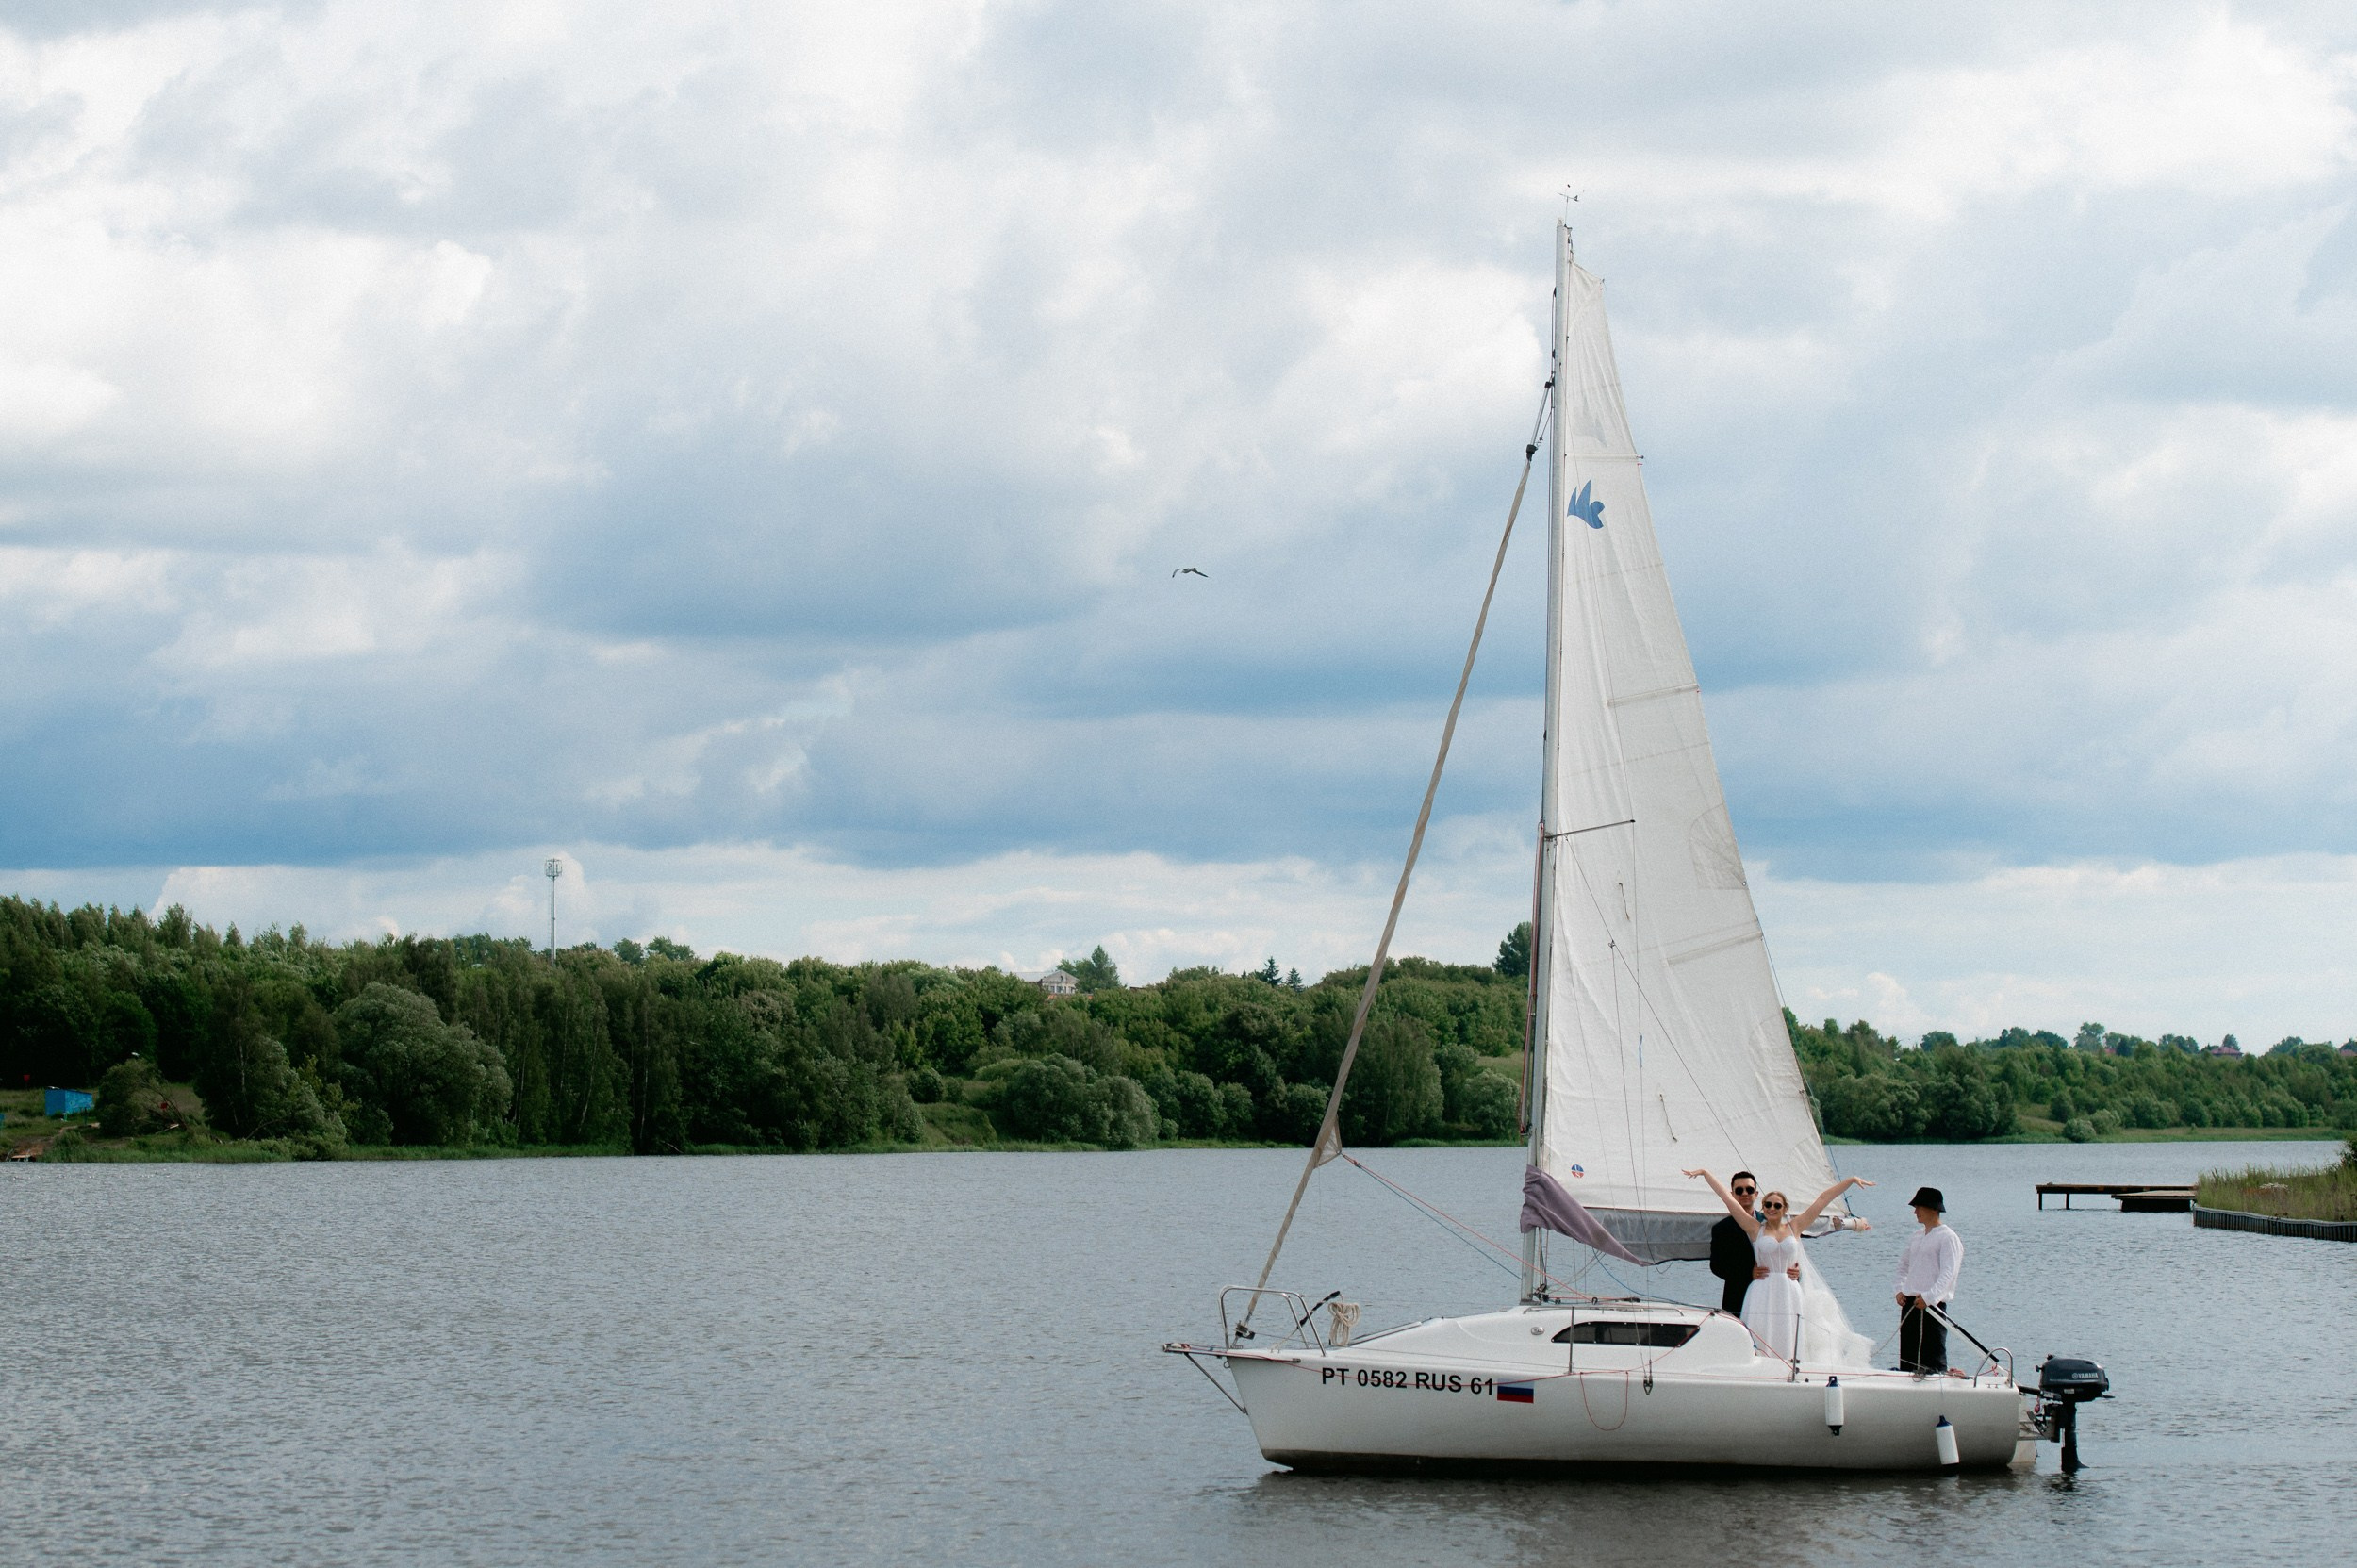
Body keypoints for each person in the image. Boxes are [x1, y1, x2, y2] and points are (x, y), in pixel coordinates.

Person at [1688, 1168, 1874, 1363]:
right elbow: (1727, 1199)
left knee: (1788, 1333)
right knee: (1760, 1334)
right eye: (1768, 1205)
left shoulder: (1795, 1227)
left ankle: (1789, 1366)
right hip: (1761, 1288)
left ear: (1784, 1208)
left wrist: (1851, 1180)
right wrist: (1706, 1174)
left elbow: (1822, 1200)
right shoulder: (1754, 1228)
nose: (1771, 1208)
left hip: (1788, 1290)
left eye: (1777, 1205)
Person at [1894, 1186, 1963, 1377]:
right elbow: (1903, 1266)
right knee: (1908, 1355)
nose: (1915, 1212)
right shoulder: (1916, 1237)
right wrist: (1899, 1290)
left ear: (1933, 1209)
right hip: (1910, 1303)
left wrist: (1930, 1297)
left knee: (1932, 1355)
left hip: (1932, 1306)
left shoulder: (1948, 1237)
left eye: (1919, 1207)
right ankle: (1907, 1384)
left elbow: (1949, 1273)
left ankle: (1936, 1383)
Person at [1707, 1171, 1763, 1315]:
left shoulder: (1770, 1223)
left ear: (1756, 1193)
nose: (1745, 1193)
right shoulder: (1721, 1229)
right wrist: (1749, 1273)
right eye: (1739, 1190)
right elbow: (1717, 1266)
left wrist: (1794, 1270)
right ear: (1732, 1194)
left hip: (1770, 1293)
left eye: (1749, 1190)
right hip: (1738, 1296)